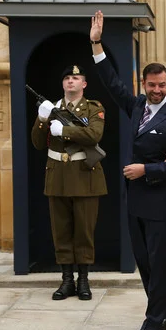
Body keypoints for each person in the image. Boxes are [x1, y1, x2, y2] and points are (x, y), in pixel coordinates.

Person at [90, 11, 166, 330]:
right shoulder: (135, 106)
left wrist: (146, 169)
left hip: (160, 200)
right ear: (144, 85)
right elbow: (112, 82)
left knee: (157, 262)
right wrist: (96, 44)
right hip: (135, 199)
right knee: (144, 261)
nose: (158, 90)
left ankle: (155, 320)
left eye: (163, 86)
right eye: (152, 86)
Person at [31, 65, 107, 301]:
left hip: (85, 174)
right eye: (67, 78)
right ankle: (66, 280)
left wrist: (64, 130)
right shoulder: (52, 108)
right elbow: (37, 143)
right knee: (61, 230)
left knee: (84, 230)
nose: (70, 81)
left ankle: (83, 279)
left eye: (75, 78)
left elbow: (94, 135)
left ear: (84, 84)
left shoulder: (94, 108)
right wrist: (43, 118)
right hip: (58, 176)